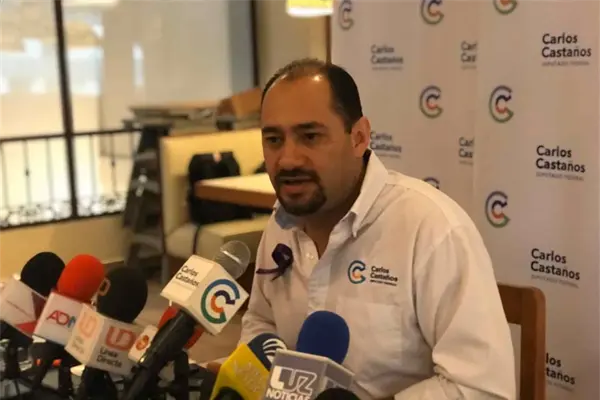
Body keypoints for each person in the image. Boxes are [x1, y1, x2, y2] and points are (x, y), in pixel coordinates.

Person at [222, 58, 516, 399]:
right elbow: (261, 322)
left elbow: (481, 388)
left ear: (359, 137)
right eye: (274, 139)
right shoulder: (281, 222)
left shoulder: (432, 229)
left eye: (310, 136)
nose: (287, 159)